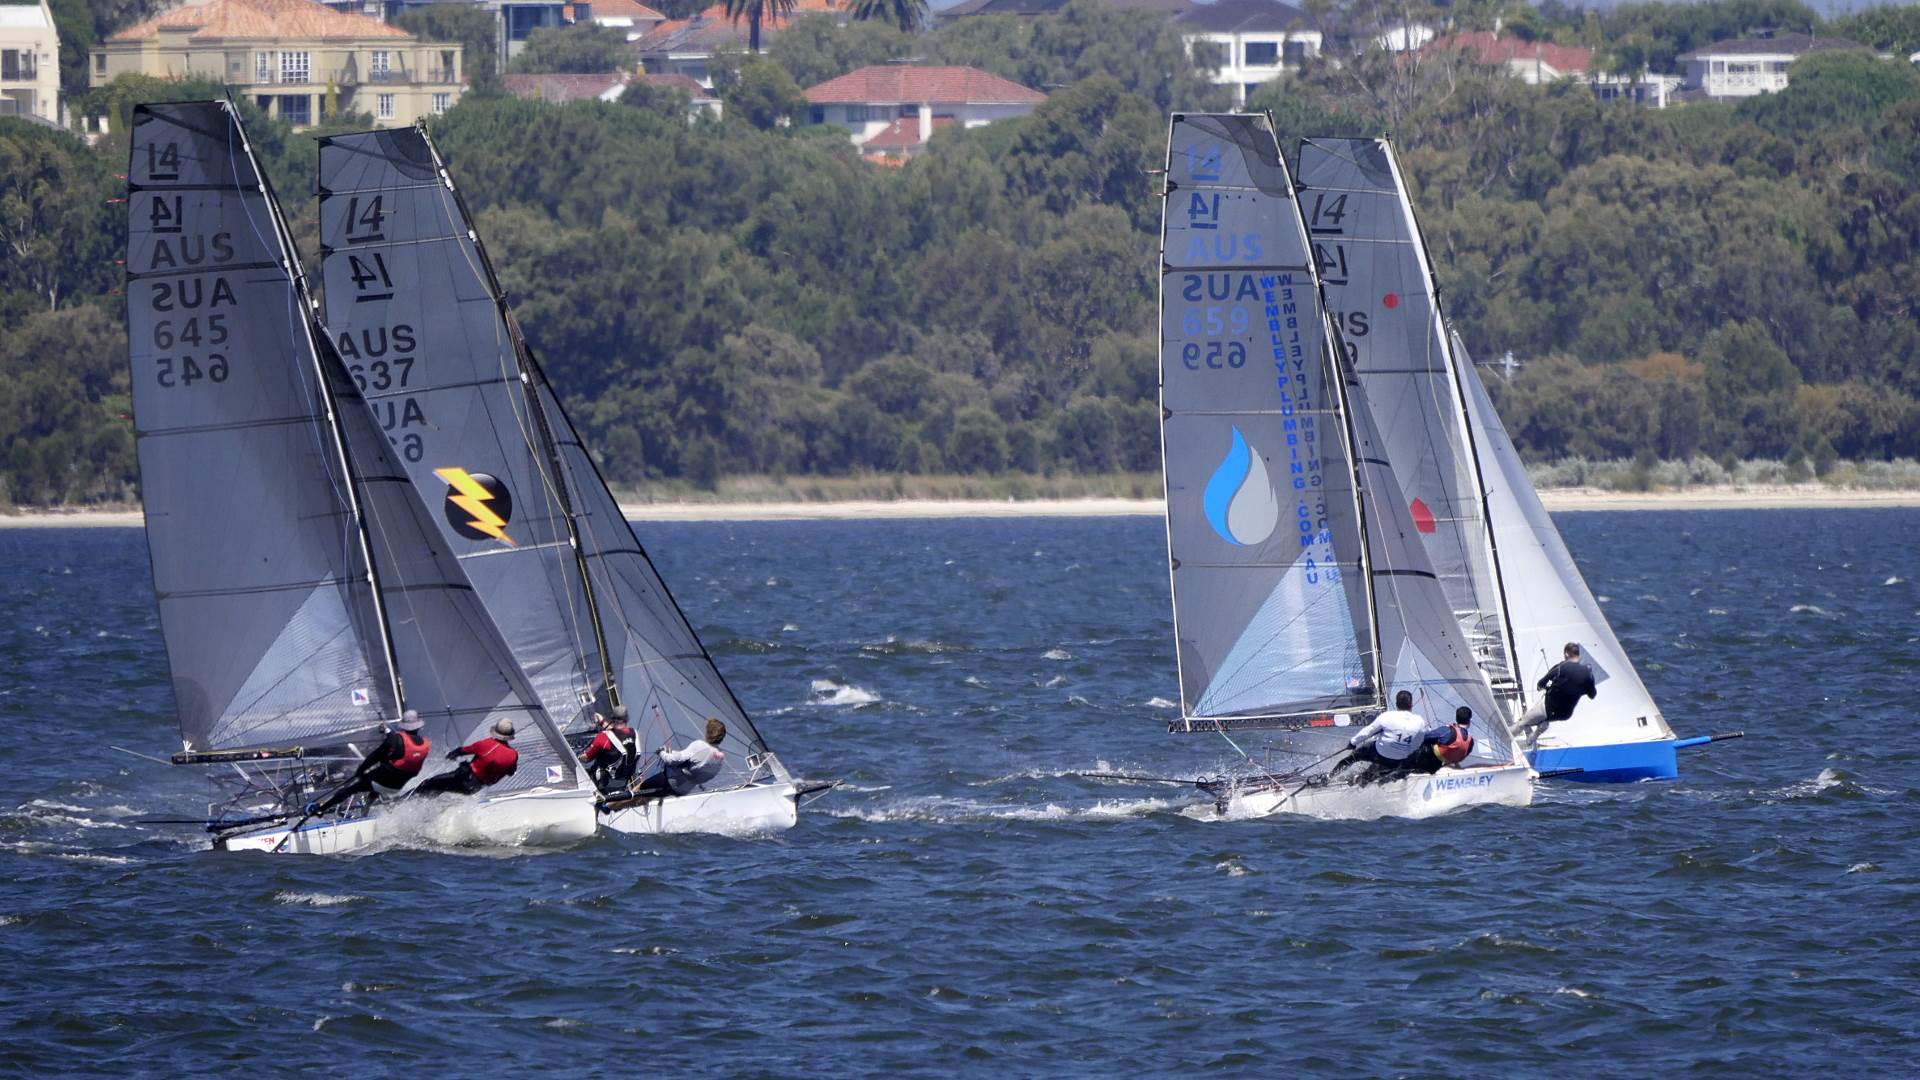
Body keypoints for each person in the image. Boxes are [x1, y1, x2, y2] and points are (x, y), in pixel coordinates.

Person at [310, 710, 431, 814]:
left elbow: (376, 755)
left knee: (356, 784)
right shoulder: (423, 744)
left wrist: (360, 771)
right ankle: (367, 807)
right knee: (377, 783)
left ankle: (324, 806)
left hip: (384, 775)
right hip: (397, 781)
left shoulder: (396, 740)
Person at [1329, 690, 1432, 784]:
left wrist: (1352, 743)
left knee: (1353, 757)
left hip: (1379, 753)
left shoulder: (1387, 716)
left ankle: (1329, 777)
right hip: (1399, 760)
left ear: (1396, 704)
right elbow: (1422, 740)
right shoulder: (1420, 721)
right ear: (1411, 705)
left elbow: (1367, 732)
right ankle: (1360, 780)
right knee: (1380, 767)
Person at [416, 719, 519, 797]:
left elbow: (460, 751)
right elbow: (510, 772)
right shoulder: (513, 754)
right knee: (441, 788)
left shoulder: (487, 743)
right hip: (475, 788)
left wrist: (450, 756)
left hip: (464, 780)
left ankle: (402, 801)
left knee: (429, 783)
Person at [633, 718, 728, 798]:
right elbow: (694, 763)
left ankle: (620, 804)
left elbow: (672, 760)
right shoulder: (719, 757)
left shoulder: (699, 745)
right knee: (650, 795)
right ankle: (642, 801)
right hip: (682, 791)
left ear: (708, 732)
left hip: (670, 782)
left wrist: (661, 753)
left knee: (640, 789)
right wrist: (671, 752)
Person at [1519, 642, 1598, 736]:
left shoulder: (1561, 667)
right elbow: (1592, 695)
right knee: (1547, 715)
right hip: (1566, 713)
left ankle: (1538, 723)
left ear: (1566, 654)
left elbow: (1541, 683)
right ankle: (1542, 723)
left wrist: (1542, 687)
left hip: (1551, 707)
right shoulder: (1586, 673)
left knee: (1524, 721)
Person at [579, 705, 638, 793]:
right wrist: (602, 722)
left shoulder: (602, 738)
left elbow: (586, 759)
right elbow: (618, 734)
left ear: (613, 719)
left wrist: (578, 756)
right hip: (624, 780)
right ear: (626, 719)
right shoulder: (634, 733)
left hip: (605, 783)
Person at [1409, 707, 1475, 774]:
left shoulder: (1448, 731)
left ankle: (1406, 768)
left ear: (1456, 718)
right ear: (1470, 721)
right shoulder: (1471, 741)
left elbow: (1425, 737)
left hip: (1432, 762)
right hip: (1447, 764)